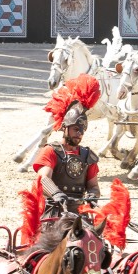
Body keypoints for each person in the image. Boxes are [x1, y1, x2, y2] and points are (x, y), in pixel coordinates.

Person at [31, 73, 102, 216]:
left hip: (79, 213)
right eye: (76, 129)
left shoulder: (87, 156)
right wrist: (56, 193)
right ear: (64, 127)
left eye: (82, 130)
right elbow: (43, 178)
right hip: (53, 211)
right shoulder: (51, 151)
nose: (79, 133)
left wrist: (93, 196)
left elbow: (94, 186)